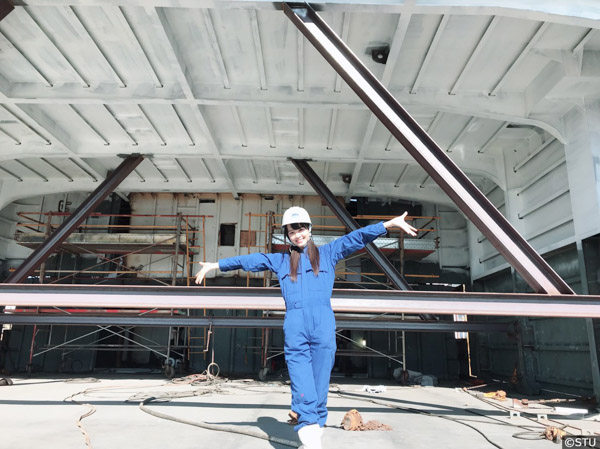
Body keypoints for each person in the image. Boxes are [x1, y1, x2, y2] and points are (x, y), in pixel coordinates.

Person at [194, 206, 417, 449]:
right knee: (302, 382)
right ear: (287, 236)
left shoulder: (328, 253)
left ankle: (313, 430)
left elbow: (356, 238)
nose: (297, 235)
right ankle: (309, 429)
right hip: (296, 326)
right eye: (291, 232)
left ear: (309, 229)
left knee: (320, 383)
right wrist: (216, 264)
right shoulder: (281, 261)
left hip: (323, 324)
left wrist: (388, 225)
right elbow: (251, 260)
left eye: (300, 229)